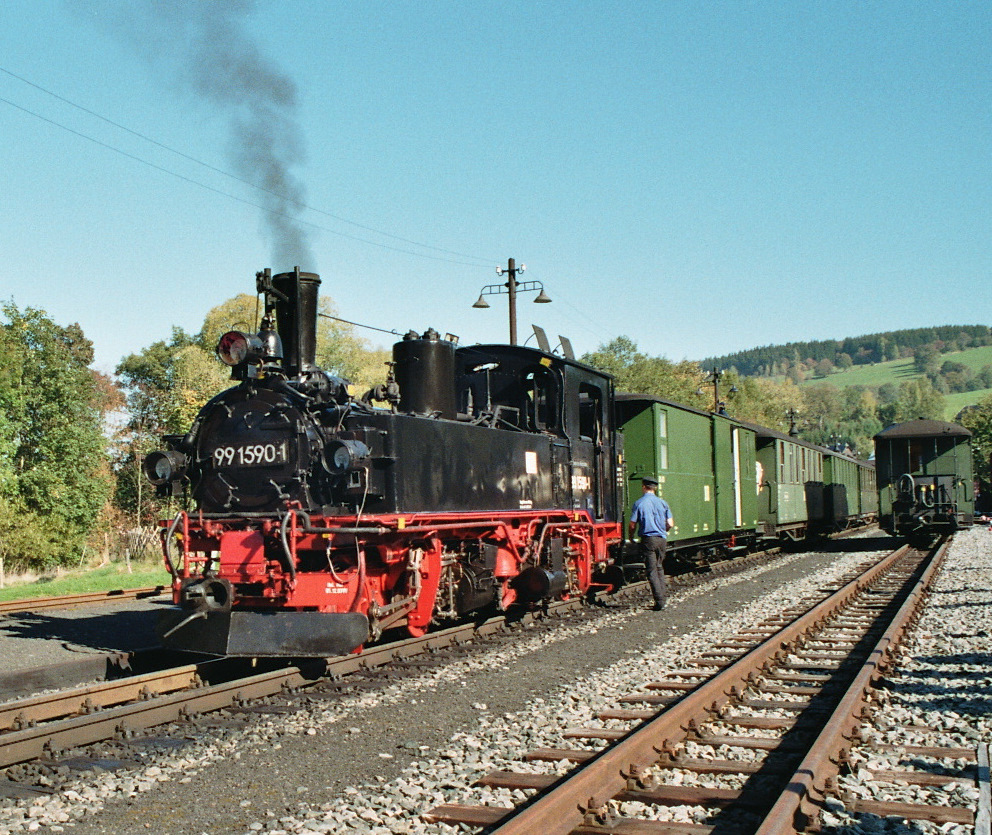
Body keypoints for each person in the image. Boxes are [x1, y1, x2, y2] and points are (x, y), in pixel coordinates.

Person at [628, 476, 674, 610]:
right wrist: (663, 530)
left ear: (643, 487)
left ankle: (659, 602)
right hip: (662, 539)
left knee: (652, 570)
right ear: (655, 488)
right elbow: (670, 523)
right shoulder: (663, 503)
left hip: (648, 539)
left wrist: (631, 537)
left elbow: (632, 524)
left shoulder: (639, 503)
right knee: (659, 567)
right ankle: (663, 599)